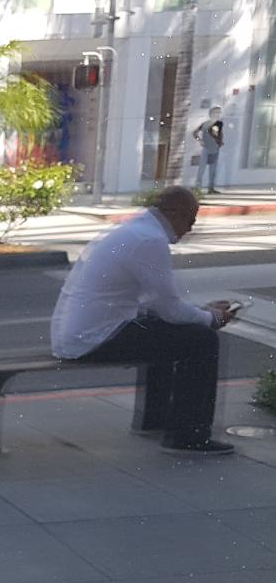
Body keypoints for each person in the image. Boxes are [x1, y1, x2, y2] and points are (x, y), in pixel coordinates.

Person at [50, 186, 236, 455]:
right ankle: (188, 436)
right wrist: (211, 318)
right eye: (190, 219)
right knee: (203, 340)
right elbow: (170, 309)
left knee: (170, 329)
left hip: (81, 334)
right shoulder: (150, 240)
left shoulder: (136, 230)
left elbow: (157, 303)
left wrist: (202, 311)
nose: (191, 228)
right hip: (93, 338)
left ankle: (155, 420)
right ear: (173, 213)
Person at [193, 105, 224, 194]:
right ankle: (198, 188)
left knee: (213, 169)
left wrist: (220, 143)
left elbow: (220, 135)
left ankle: (211, 188)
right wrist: (200, 140)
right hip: (206, 148)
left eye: (218, 113)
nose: (217, 114)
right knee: (201, 169)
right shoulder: (205, 124)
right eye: (216, 112)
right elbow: (195, 133)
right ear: (211, 114)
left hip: (215, 149)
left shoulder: (218, 124)